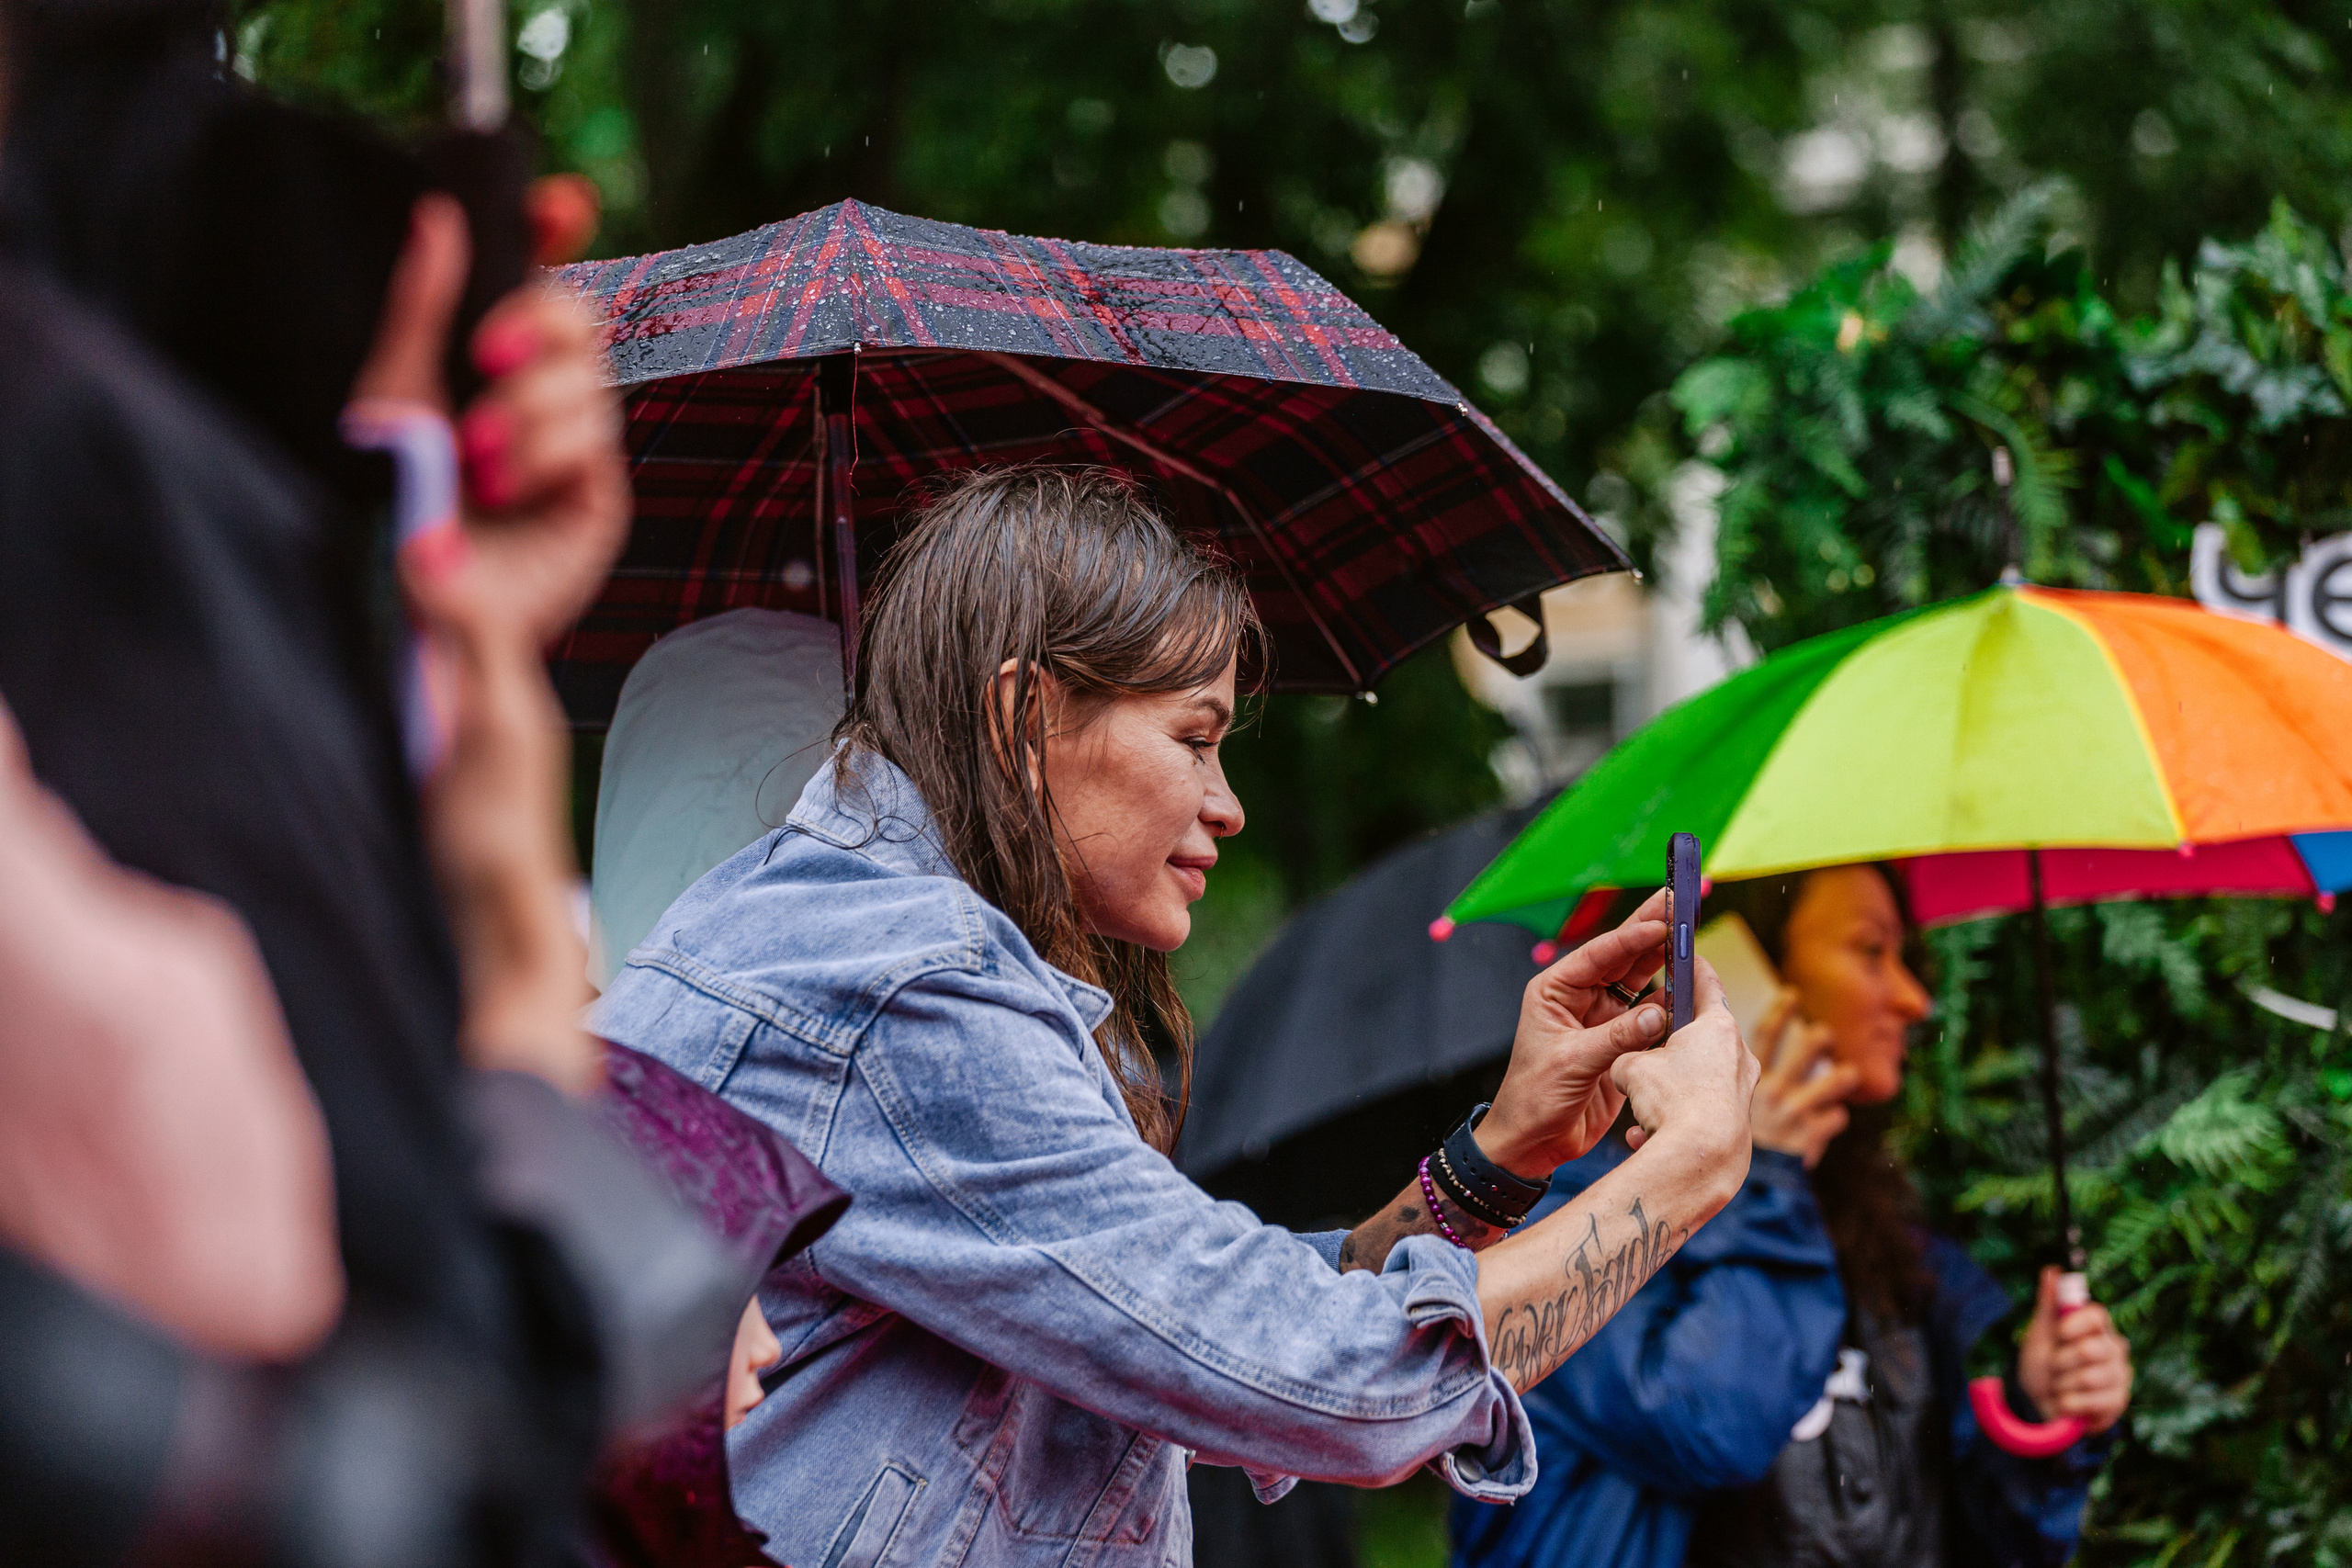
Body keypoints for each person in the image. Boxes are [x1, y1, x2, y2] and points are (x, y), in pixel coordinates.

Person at [589, 465, 1761, 1566]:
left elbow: (1192, 1322)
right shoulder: (906, 985)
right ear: (1021, 718)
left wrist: (1493, 1162)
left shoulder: (874, 943)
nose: (1228, 804)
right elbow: (1315, 1379)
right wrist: (1686, 1173)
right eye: (1193, 740)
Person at [1451, 863, 2136, 1568]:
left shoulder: (1882, 1238)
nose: (1913, 998)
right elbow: (1710, 1427)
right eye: (1871, 951)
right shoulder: (1563, 1230)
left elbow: (1981, 1541)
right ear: (1740, 975)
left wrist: (2036, 1413)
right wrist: (1761, 1172)